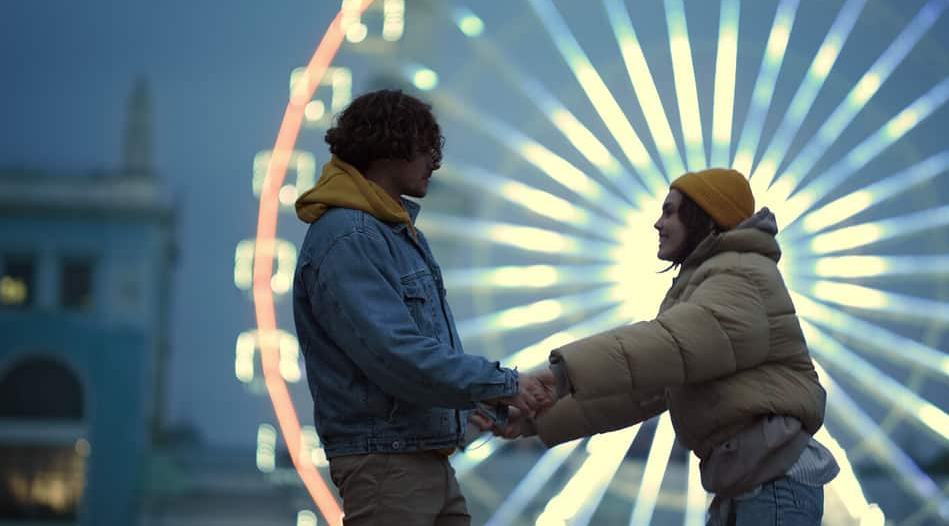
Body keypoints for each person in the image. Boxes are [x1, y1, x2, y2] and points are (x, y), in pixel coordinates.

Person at [478, 168, 839, 525]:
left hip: (773, 485)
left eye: (669, 211)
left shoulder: (741, 275)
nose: (657, 223)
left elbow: (665, 345)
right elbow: (644, 388)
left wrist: (562, 374)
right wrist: (536, 420)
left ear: (704, 217)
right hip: (750, 485)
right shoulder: (707, 284)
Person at [292, 88, 548, 526]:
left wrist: (472, 409)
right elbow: (394, 353)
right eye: (427, 147)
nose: (437, 161)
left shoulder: (391, 232)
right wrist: (500, 384)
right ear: (390, 148)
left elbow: (408, 355)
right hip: (386, 463)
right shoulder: (349, 238)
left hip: (421, 455)